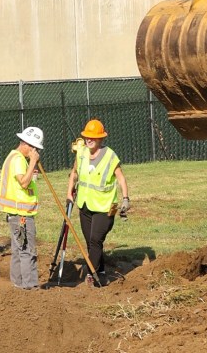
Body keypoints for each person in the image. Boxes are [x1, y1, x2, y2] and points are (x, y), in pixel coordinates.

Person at [65, 118, 129, 287]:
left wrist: (125, 199)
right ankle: (100, 273)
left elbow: (121, 178)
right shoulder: (81, 153)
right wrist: (69, 192)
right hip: (85, 204)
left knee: (95, 240)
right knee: (91, 243)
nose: (89, 139)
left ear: (101, 138)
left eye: (93, 137)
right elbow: (74, 173)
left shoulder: (110, 155)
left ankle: (91, 274)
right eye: (87, 136)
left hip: (106, 206)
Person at [0, 125, 43, 289]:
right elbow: (24, 182)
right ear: (28, 144)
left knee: (18, 250)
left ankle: (17, 285)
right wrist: (33, 162)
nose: (34, 152)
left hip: (15, 214)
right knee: (27, 251)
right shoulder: (19, 160)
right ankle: (30, 286)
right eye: (34, 148)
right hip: (21, 215)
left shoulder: (13, 157)